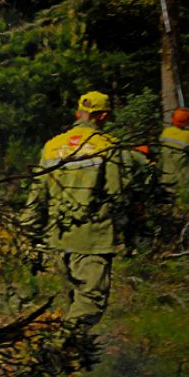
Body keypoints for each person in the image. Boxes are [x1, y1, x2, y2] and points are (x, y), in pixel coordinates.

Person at [22, 90, 126, 336]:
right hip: (91, 239)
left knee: (73, 302)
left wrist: (30, 233)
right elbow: (116, 193)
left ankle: (71, 364)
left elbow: (37, 193)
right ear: (101, 116)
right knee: (90, 301)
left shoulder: (52, 146)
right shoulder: (107, 145)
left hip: (58, 239)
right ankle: (57, 348)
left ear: (79, 113)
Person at [159, 107, 189, 204]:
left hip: (167, 178)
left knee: (170, 205)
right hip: (184, 180)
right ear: (188, 121)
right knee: (184, 204)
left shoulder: (166, 132)